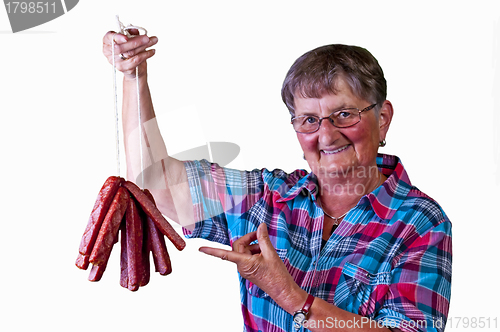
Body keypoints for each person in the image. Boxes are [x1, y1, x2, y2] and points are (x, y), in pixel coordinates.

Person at [103, 31, 452, 332]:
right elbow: (156, 185)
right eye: (309, 120)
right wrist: (134, 76)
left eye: (344, 114)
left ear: (384, 118)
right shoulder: (269, 198)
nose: (326, 135)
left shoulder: (420, 222)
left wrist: (290, 296)